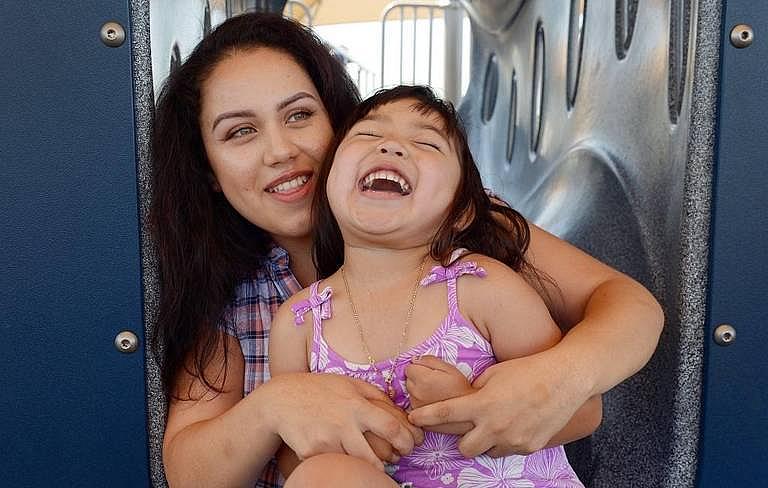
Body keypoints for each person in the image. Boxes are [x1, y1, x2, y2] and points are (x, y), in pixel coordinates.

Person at [149, 11, 663, 488]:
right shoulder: (234, 294)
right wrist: (275, 407)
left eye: (300, 115)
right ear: (209, 172)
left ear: (340, 125)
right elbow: (190, 467)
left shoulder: (456, 227)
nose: (280, 150)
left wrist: (555, 380)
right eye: (240, 132)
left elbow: (625, 303)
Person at [270, 85, 592, 487]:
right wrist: (345, 445)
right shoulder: (299, 322)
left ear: (461, 211)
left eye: (425, 142)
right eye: (368, 135)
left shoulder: (481, 286)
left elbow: (584, 411)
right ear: (328, 184)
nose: (390, 147)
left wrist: (473, 408)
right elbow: (289, 453)